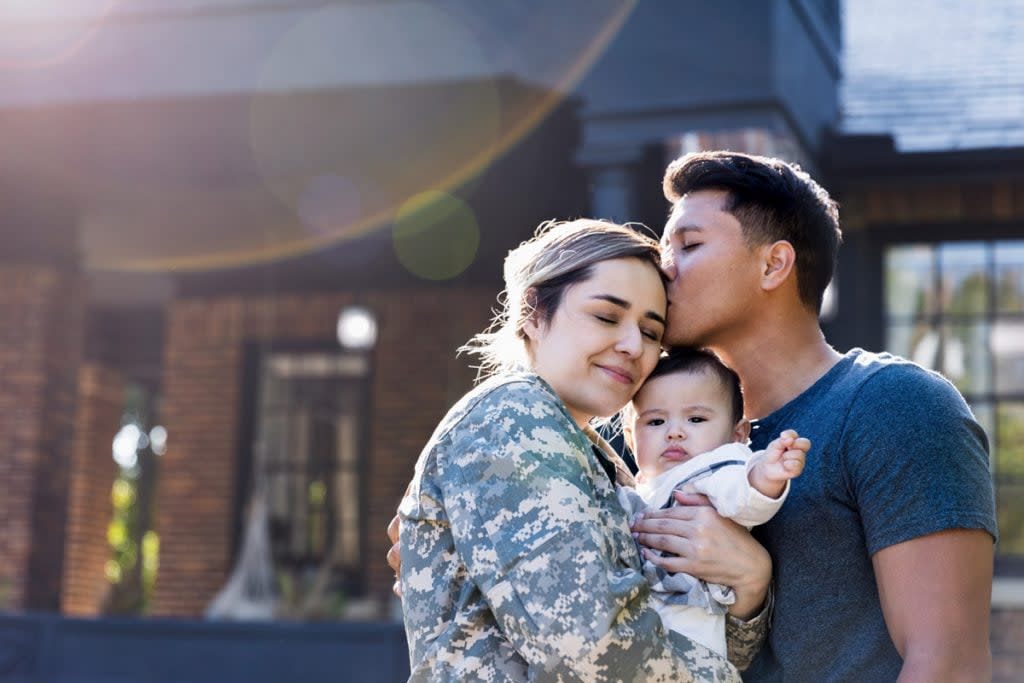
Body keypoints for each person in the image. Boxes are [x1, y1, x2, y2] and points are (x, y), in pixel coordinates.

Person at [630, 151, 997, 681]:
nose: (663, 268)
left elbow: (950, 664)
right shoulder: (657, 433)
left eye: (688, 245)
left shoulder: (894, 407)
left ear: (774, 264)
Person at [396, 219, 768, 682]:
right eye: (607, 317)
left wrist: (751, 584)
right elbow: (593, 652)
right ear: (533, 312)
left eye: (651, 332)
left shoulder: (589, 452)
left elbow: (680, 636)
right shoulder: (513, 418)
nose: (633, 346)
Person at [615, 347, 809, 658]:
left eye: (695, 418)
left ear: (737, 434)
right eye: (655, 422)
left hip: (690, 631)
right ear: (630, 435)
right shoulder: (642, 487)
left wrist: (765, 475)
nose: (674, 432)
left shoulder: (714, 468)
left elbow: (742, 497)